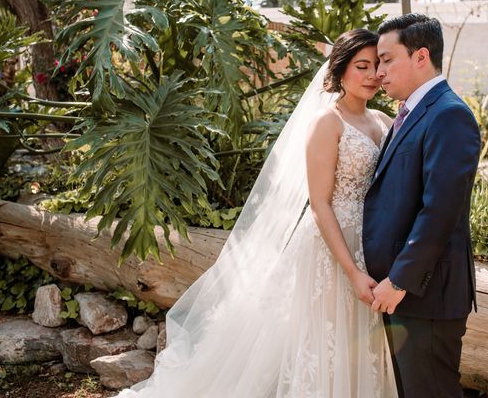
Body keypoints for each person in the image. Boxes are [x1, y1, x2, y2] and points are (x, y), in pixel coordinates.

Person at [116, 28, 398, 397]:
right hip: (331, 251)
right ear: (341, 70)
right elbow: (319, 204)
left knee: (359, 342)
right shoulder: (326, 123)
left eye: (377, 65)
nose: (373, 75)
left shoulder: (382, 120)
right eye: (362, 66)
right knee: (324, 342)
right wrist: (352, 270)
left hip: (371, 243)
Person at [363, 14, 481, 398]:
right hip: (403, 296)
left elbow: (440, 212)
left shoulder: (449, 115)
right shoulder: (410, 114)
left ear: (421, 56)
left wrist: (399, 281)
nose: (379, 71)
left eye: (386, 59)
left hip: (424, 297)